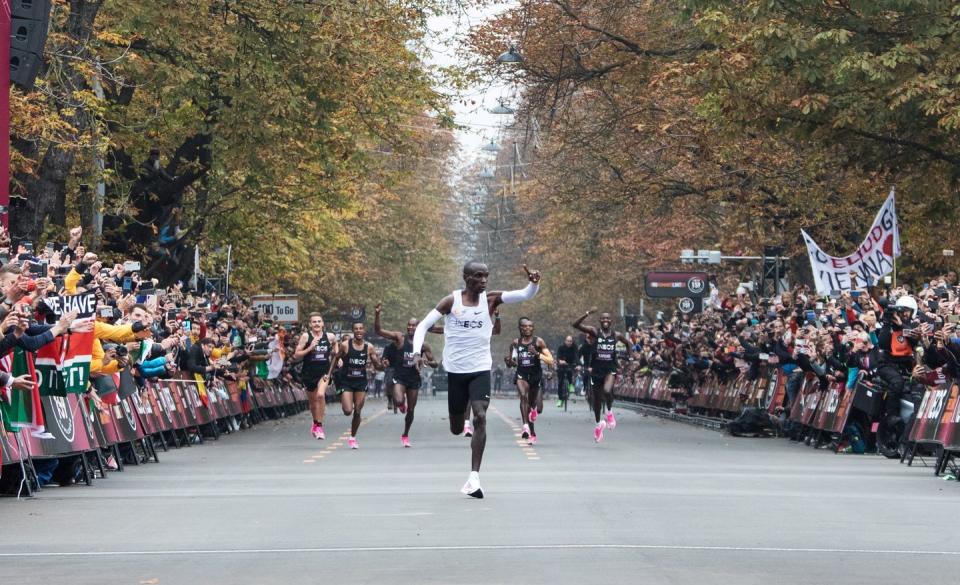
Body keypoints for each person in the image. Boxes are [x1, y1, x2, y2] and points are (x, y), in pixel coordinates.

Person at [412, 261, 542, 498]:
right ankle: (461, 425)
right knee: (456, 427)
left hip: (481, 369)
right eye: (478, 276)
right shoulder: (451, 301)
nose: (483, 281)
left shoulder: (490, 299)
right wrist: (415, 353)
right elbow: (422, 326)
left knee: (480, 416)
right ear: (466, 277)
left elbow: (524, 294)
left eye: (486, 276)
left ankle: (474, 478)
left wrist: (534, 283)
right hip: (456, 371)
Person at [374, 303, 438, 447]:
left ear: (419, 327)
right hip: (400, 377)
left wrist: (426, 361)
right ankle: (400, 404)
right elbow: (379, 331)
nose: (411, 328)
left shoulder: (423, 345)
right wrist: (377, 314)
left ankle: (405, 434)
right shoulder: (399, 338)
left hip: (414, 379)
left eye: (414, 326)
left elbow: (435, 363)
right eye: (409, 325)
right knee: (398, 401)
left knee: (411, 410)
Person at [573, 310, 633, 442]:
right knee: (596, 400)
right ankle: (598, 424)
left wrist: (630, 357)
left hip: (610, 368)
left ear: (611, 321)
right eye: (603, 318)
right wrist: (587, 313)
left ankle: (610, 412)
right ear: (600, 321)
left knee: (607, 390)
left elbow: (629, 343)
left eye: (608, 318)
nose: (605, 320)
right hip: (596, 369)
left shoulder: (616, 335)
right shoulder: (595, 332)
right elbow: (575, 324)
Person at [505, 317, 554, 444]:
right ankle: (526, 427)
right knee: (523, 397)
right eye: (525, 326)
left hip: (535, 377)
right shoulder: (515, 343)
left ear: (533, 328)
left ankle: (531, 422)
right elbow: (512, 363)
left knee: (537, 408)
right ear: (520, 328)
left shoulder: (539, 342)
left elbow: (550, 360)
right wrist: (509, 362)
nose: (527, 328)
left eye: (530, 326)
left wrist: (538, 356)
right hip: (522, 375)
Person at [337, 322, 384, 449]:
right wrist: (328, 374)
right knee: (348, 411)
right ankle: (345, 399)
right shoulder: (345, 345)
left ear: (364, 331)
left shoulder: (369, 347)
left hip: (361, 382)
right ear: (353, 331)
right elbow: (335, 358)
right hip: (347, 381)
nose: (358, 331)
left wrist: (383, 365)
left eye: (361, 329)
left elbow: (377, 365)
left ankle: (352, 437)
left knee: (357, 411)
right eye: (356, 329)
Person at [293, 313, 338, 440]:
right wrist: (310, 348)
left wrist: (337, 356)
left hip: (324, 372)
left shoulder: (330, 336)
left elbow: (335, 344)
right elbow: (296, 355)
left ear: (323, 324)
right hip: (308, 373)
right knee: (313, 403)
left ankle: (319, 425)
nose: (317, 324)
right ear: (310, 324)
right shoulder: (306, 336)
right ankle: (315, 422)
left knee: (320, 395)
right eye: (314, 322)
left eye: (319, 321)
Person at [555, 335, 578, 407]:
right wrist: (560, 361)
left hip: (571, 364)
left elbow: (576, 356)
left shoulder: (574, 348)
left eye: (570, 341)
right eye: (568, 341)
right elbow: (558, 357)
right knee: (560, 382)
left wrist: (577, 364)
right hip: (561, 365)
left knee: (569, 371)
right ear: (565, 341)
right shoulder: (561, 347)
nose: (569, 342)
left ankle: (571, 384)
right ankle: (560, 399)